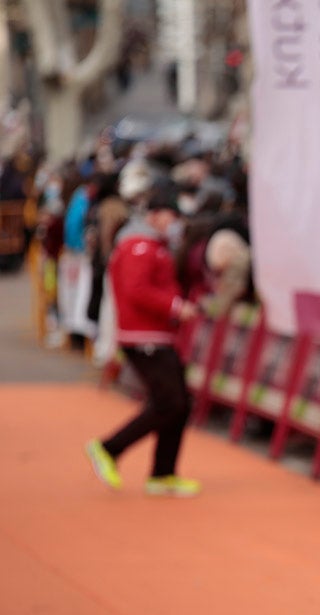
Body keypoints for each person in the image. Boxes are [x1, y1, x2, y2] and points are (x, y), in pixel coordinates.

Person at [84, 181, 202, 497]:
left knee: (179, 403)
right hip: (144, 335)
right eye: (171, 215)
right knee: (170, 402)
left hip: (158, 334)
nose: (175, 222)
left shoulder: (152, 245)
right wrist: (176, 306)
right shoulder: (140, 245)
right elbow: (137, 290)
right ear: (156, 215)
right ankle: (110, 448)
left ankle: (163, 472)